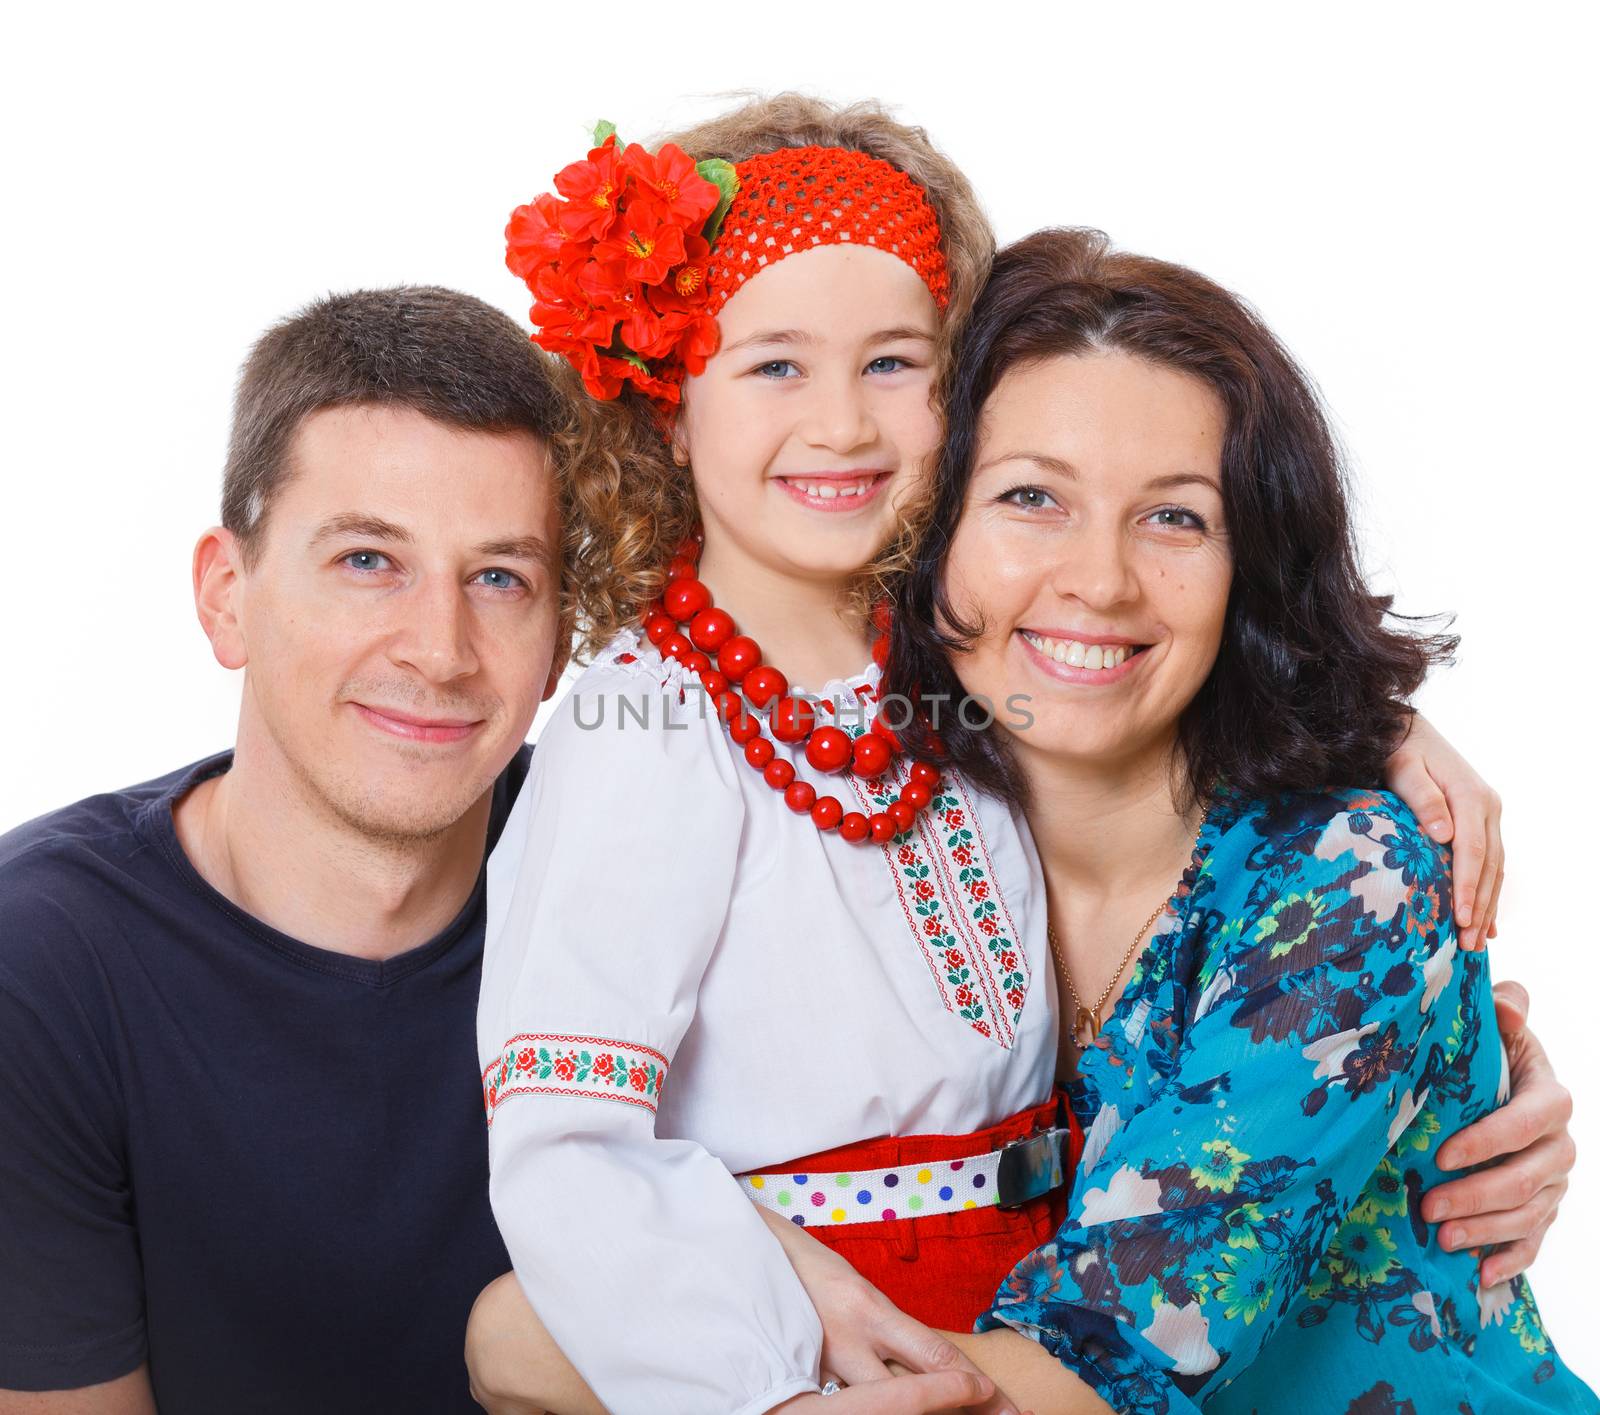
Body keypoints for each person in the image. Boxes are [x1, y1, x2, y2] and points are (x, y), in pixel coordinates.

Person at [466, 96, 1564, 1415]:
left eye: (893, 366)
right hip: (890, 1311)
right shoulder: (793, 733)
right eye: (1033, 497)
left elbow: (1112, 1353)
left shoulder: (1016, 728)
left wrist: (1370, 717)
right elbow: (575, 1136)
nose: (842, 425)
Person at [879, 228, 1593, 1410]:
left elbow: (1092, 1367)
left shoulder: (1346, 877)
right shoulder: (864, 836)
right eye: (1027, 496)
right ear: (926, 530)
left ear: (1247, 568)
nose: (1098, 579)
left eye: (1174, 519)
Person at [0, 287, 569, 1412]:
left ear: (559, 645)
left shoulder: (653, 877)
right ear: (227, 594)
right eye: (368, 560)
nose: (441, 649)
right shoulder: (45, 967)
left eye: (500, 577)